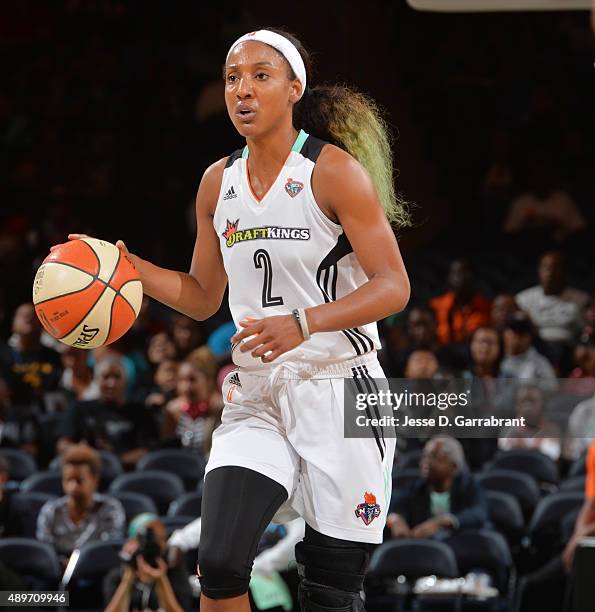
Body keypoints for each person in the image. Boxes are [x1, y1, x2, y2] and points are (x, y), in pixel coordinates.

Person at [56, 26, 410, 612]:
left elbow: (394, 285)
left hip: (342, 390)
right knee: (218, 564)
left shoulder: (334, 171)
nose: (242, 90)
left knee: (332, 587)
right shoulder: (217, 182)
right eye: (231, 79)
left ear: (294, 88)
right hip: (257, 395)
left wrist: (303, 322)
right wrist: (130, 268)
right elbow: (201, 296)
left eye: (260, 77)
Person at [57, 357, 159, 468]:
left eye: (117, 377)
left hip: (128, 472)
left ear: (126, 381)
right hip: (87, 469)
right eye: (105, 377)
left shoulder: (140, 412)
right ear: (95, 380)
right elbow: (63, 444)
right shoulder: (79, 408)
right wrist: (83, 452)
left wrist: (113, 460)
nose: (111, 383)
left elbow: (147, 451)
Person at [36, 444, 125, 562]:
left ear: (95, 480)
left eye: (79, 480)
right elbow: (45, 549)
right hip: (57, 572)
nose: (73, 486)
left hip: (96, 570)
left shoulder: (110, 508)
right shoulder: (51, 510)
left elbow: (110, 548)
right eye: (68, 480)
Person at [387, 436, 487, 539]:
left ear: (454, 466)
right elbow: (396, 506)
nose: (426, 462)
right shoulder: (417, 487)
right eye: (425, 456)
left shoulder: (468, 487)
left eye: (435, 457)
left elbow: (478, 513)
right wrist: (395, 519)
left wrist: (443, 521)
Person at [104, 514, 192, 612]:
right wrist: (128, 577)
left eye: (161, 538)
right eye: (147, 539)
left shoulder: (174, 571)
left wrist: (161, 579)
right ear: (132, 542)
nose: (156, 544)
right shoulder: (117, 576)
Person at [430, 258, 491, 346]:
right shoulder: (436, 306)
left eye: (465, 272)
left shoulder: (486, 306)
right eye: (456, 273)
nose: (460, 277)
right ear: (449, 277)